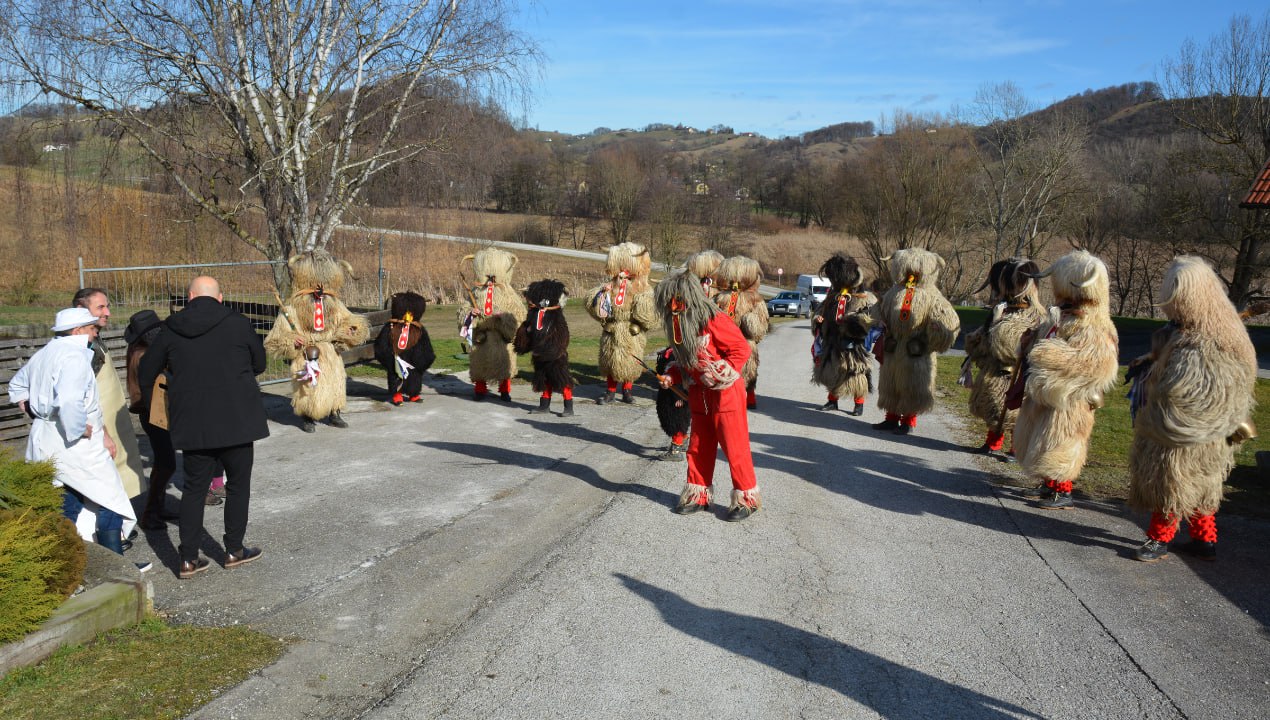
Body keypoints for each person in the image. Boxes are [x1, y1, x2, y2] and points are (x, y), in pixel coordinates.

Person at [1126, 256, 1257, 562]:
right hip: (1201, 429)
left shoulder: (1212, 341)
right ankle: (1204, 540)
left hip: (1191, 429)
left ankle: (1159, 539)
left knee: (1174, 482)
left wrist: (1161, 382)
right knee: (1201, 486)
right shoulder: (1191, 331)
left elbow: (1192, 386)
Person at [138, 276, 269, 578]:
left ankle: (187, 559)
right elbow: (259, 363)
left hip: (194, 423)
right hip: (238, 420)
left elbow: (147, 371)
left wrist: (154, 405)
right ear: (220, 298)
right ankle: (234, 550)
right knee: (238, 487)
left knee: (194, 490)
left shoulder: (172, 327)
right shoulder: (238, 323)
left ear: (190, 297)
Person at [8, 307, 148, 571]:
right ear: (78, 330)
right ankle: (117, 568)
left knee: (68, 499)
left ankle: (67, 566)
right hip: (76, 443)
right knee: (111, 498)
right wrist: (78, 428)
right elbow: (70, 400)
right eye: (93, 328)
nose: (97, 332)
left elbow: (16, 387)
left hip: (46, 439)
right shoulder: (73, 357)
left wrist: (38, 412)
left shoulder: (44, 354)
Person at [1012, 250, 1119, 510]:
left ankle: (1062, 490)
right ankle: (1049, 485)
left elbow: (1093, 362)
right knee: (1044, 436)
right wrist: (1029, 342)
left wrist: (1046, 353)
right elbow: (1043, 341)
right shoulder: (1061, 317)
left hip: (1071, 398)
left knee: (1064, 438)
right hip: (1047, 392)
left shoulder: (1092, 325)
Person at [655, 271, 761, 521]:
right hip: (699, 396)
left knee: (735, 448)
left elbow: (740, 349)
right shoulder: (680, 325)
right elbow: (683, 360)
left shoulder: (714, 319)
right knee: (698, 447)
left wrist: (721, 372)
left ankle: (747, 498)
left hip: (726, 395)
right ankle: (697, 493)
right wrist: (672, 376)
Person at [263, 250, 370, 431]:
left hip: (329, 352)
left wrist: (351, 329)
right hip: (306, 352)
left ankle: (334, 412)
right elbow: (276, 339)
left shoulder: (335, 304)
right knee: (307, 386)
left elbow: (349, 320)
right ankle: (307, 416)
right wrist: (292, 340)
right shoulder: (291, 308)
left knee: (334, 381)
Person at [962, 258, 1047, 461]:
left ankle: (1016, 448)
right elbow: (983, 340)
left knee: (1015, 413)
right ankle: (992, 443)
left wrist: (998, 324)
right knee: (994, 410)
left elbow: (1008, 345)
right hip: (994, 372)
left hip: (1016, 374)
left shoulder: (1035, 315)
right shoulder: (1004, 309)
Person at [873, 248, 961, 435]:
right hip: (895, 346)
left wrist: (937, 330)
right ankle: (891, 418)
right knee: (891, 383)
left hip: (916, 349)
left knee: (913, 384)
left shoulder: (931, 294)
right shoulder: (894, 292)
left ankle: (909, 421)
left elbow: (947, 317)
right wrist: (877, 320)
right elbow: (879, 309)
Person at [72, 287, 146, 499]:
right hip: (100, 423)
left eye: (108, 306)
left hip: (113, 419)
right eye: (101, 307)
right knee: (105, 476)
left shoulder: (95, 339)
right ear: (81, 309)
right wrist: (100, 431)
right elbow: (80, 393)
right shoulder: (83, 349)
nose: (108, 313)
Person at [586, 242, 658, 404]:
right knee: (611, 361)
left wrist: (639, 319)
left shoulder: (642, 287)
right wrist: (602, 294)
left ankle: (627, 391)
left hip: (632, 332)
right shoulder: (611, 285)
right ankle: (610, 392)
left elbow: (651, 313)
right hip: (612, 330)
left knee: (631, 362)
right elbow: (593, 305)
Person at [457, 248, 527, 402]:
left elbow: (519, 314)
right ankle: (480, 389)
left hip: (501, 338)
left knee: (505, 364)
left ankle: (504, 391)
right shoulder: (476, 292)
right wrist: (470, 314)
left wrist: (504, 319)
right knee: (479, 364)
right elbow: (462, 311)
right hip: (481, 337)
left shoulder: (508, 294)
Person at [810, 253, 875, 416]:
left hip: (854, 345)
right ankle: (832, 400)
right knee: (832, 371)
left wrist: (854, 323)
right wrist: (818, 320)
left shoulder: (863, 298)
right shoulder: (832, 296)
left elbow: (869, 320)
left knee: (856, 372)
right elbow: (819, 312)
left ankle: (859, 404)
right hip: (832, 341)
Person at [713, 256, 769, 409]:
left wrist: (749, 321)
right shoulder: (720, 297)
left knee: (749, 372)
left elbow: (760, 329)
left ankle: (750, 398)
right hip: (722, 343)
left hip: (745, 342)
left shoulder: (755, 299)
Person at [514, 279, 575, 416]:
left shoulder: (556, 319)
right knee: (543, 379)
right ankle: (544, 405)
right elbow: (530, 332)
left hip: (555, 355)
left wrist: (553, 351)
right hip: (540, 354)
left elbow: (563, 336)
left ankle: (568, 405)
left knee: (561, 378)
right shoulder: (534, 316)